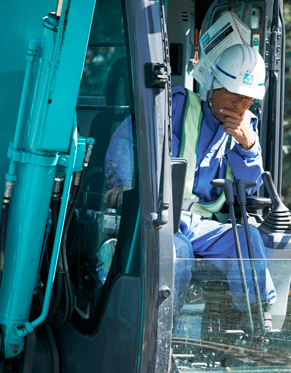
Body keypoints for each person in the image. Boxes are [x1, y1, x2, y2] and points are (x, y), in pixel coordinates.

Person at [103, 42, 275, 314]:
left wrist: (248, 148)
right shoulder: (176, 105)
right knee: (177, 249)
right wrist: (122, 184)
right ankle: (165, 332)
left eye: (248, 99)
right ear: (213, 85)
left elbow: (250, 190)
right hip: (160, 216)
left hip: (203, 224)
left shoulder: (247, 129)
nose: (240, 105)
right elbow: (128, 137)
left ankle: (257, 325)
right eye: (233, 95)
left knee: (249, 238)